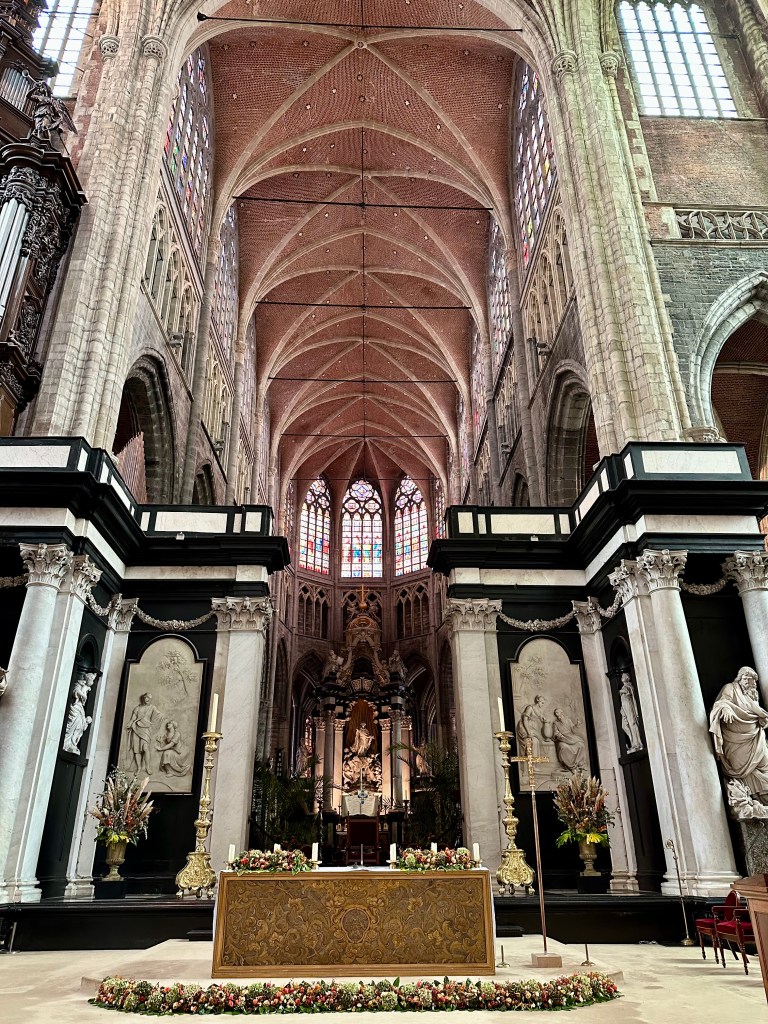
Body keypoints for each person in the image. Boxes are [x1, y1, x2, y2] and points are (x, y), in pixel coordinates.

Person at [709, 667, 768, 800]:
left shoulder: (752, 693)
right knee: (740, 769)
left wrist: (762, 718)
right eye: (747, 679)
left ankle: (763, 800)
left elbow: (756, 711)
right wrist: (726, 709)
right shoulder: (731, 688)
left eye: (752, 681)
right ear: (740, 678)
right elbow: (722, 702)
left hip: (756, 736)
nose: (750, 683)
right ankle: (752, 800)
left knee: (765, 765)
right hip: (735, 739)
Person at [125, 692, 162, 774]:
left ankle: (147, 767)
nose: (147, 699)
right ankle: (139, 768)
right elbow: (133, 718)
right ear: (144, 698)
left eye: (149, 698)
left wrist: (152, 723)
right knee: (137, 750)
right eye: (146, 697)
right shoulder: (137, 708)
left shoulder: (152, 707)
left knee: (145, 748)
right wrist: (129, 724)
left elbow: (159, 715)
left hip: (146, 730)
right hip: (136, 728)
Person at [618, 672, 643, 753]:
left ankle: (637, 744)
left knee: (632, 723)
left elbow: (627, 692)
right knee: (625, 725)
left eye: (623, 676)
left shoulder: (628, 686)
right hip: (625, 707)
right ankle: (633, 743)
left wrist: (622, 691)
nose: (622, 677)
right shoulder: (624, 687)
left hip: (629, 705)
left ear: (627, 678)